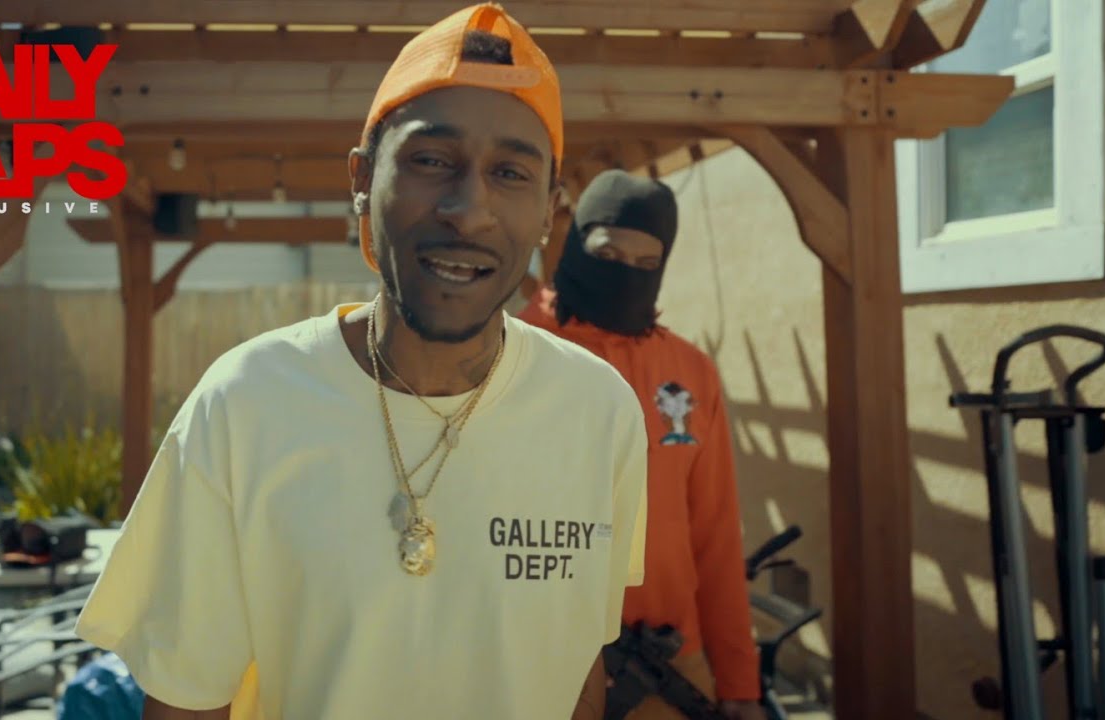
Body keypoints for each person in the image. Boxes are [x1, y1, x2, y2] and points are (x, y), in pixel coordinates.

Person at [73, 5, 650, 720]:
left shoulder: (598, 411)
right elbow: (187, 701)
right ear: (363, 177)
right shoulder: (246, 405)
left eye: (510, 173)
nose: (469, 210)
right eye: (431, 160)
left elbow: (579, 664)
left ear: (548, 210)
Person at [518, 169, 765, 720]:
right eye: (607, 254)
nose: (624, 274)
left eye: (645, 263)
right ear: (577, 242)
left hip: (669, 668)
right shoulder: (510, 353)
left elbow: (716, 533)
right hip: (536, 667)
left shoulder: (689, 372)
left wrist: (739, 683)